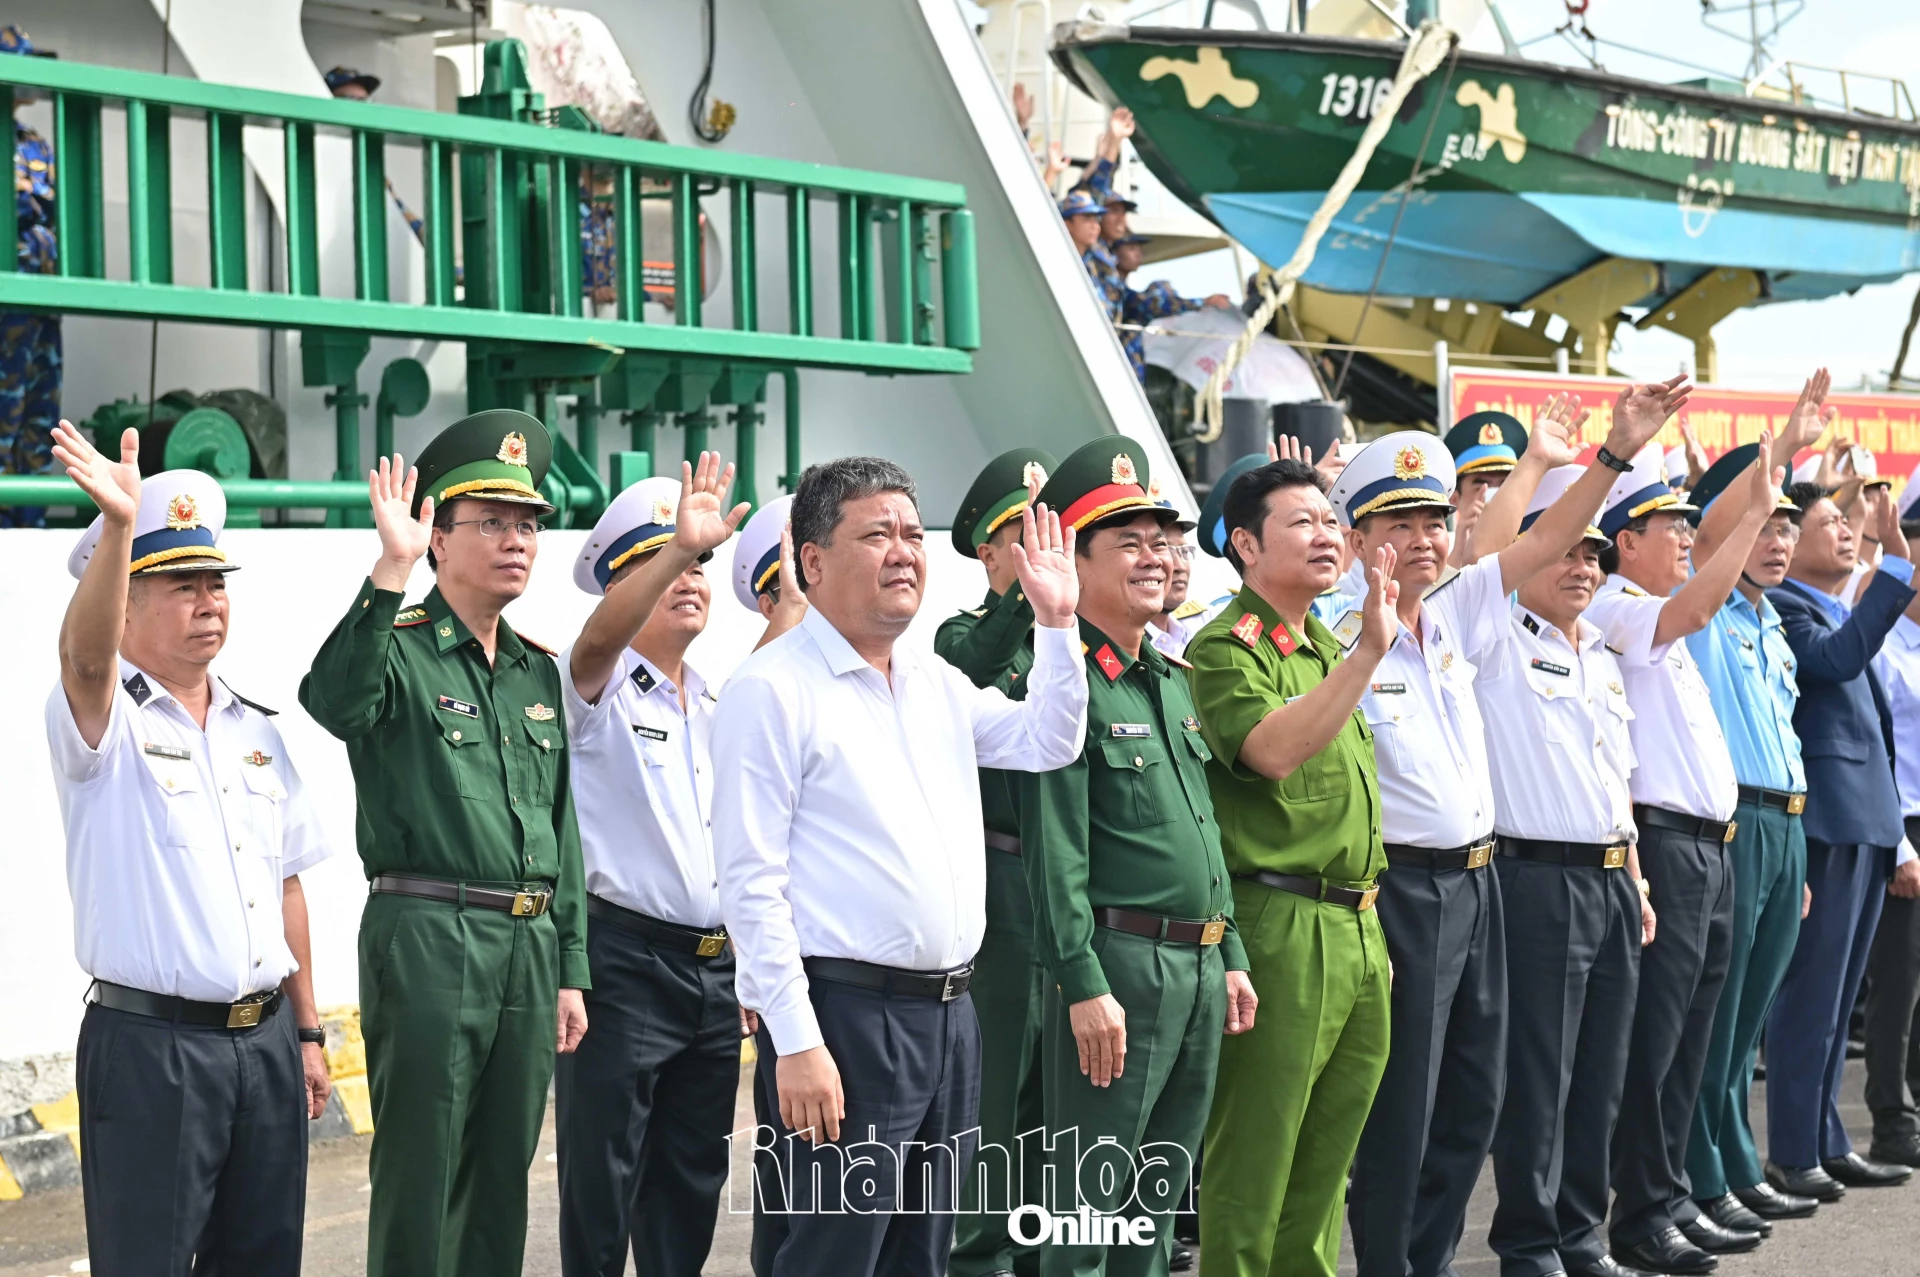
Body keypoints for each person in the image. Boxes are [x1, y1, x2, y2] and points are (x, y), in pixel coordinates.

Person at [712, 456, 1087, 1277]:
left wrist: (1058, 622)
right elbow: (750, 883)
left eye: (913, 533)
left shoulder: (933, 681)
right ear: (813, 560)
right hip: (845, 1018)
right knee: (831, 1254)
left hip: (950, 1017)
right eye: (877, 534)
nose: (904, 551)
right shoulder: (771, 690)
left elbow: (1049, 740)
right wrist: (795, 1041)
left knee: (921, 1256)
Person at [300, 410, 590, 1277]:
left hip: (527, 944)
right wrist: (388, 570)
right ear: (437, 537)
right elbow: (333, 701)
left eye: (528, 524)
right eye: (492, 522)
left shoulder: (536, 671)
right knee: (422, 1172)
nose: (517, 540)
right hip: (430, 934)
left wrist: (569, 963)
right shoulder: (399, 649)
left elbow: (561, 825)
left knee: (502, 1178)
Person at [1330, 398, 1613, 1277]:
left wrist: (1602, 457)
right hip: (1404, 889)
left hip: (1480, 883)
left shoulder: (1452, 610)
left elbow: (1541, 539)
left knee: (1476, 1098)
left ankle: (1430, 1258)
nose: (1423, 539)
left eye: (1432, 521)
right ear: (1356, 538)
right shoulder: (1337, 633)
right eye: (1399, 525)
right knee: (1403, 1109)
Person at [44, 427, 332, 1276]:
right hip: (153, 1050)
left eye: (216, 583)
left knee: (263, 1260)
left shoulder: (256, 730)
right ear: (125, 603)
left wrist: (307, 1030)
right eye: (181, 585)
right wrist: (119, 525)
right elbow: (83, 658)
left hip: (264, 1043)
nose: (209, 601)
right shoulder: (105, 721)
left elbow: (285, 887)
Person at [1018, 438, 1257, 1275]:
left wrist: (1229, 949)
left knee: (1153, 1211)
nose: (1156, 556)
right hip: (1120, 969)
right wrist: (1082, 983)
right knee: (1086, 1213)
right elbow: (1054, 853)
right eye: (1129, 541)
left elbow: (1203, 828)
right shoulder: (1062, 682)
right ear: (1073, 561)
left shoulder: (1169, 674)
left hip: (1197, 967)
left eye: (1162, 540)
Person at [1182, 452, 1400, 1277]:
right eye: (1301, 522)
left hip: (1356, 923)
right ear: (1245, 544)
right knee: (1257, 1155)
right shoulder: (1226, 648)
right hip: (1281, 924)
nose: (1325, 535)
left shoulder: (1322, 647)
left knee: (1324, 1162)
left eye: (1329, 520)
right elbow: (1271, 751)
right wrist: (1366, 656)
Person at [1586, 440, 1784, 1274]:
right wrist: (1755, 511)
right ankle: (1638, 1213)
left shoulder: (1656, 610)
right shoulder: (1618, 607)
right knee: (1656, 1044)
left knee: (1691, 1041)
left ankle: (1668, 1197)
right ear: (1625, 540)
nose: (1681, 537)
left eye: (1685, 524)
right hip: (1665, 846)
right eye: (1667, 525)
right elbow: (1699, 608)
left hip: (1711, 848)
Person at [552, 461, 751, 1277]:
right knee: (602, 1178)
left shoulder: (717, 702)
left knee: (691, 1178)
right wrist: (677, 548)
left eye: (700, 563)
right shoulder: (594, 686)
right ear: (620, 587)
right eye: (665, 563)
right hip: (624, 965)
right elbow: (599, 640)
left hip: (713, 970)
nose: (689, 577)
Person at [1762, 476, 1918, 1201]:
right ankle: (1795, 1152)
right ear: (1788, 546)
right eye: (1828, 523)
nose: (1844, 531)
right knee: (1811, 999)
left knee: (1840, 994)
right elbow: (1835, 661)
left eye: (1843, 521)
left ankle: (1826, 1139)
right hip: (1825, 820)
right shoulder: (1787, 608)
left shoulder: (1831, 608)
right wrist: (1895, 566)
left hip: (1865, 819)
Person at [936, 445, 1055, 1277]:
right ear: (988, 551)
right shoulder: (960, 635)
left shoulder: (1070, 635)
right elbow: (971, 668)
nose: (1046, 544)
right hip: (1003, 882)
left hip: (1075, 885)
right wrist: (1026, 600)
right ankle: (979, 1258)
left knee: (1065, 1102)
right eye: (1027, 532)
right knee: (998, 1097)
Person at [1863, 540, 1920, 1169]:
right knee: (1897, 981)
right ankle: (1892, 1119)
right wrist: (1898, 843)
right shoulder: (1882, 647)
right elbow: (1875, 748)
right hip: (1902, 824)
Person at [0, 26, 61, 529]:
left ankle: (31, 521)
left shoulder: (34, 143)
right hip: (6, 296)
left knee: (40, 413)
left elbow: (52, 205)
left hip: (41, 294)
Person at [1442, 411, 1528, 569]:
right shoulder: (1439, 551)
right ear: (1454, 499)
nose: (1494, 497)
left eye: (1504, 485)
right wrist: (1461, 552)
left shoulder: (1533, 546)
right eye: (1480, 487)